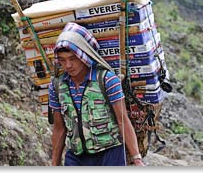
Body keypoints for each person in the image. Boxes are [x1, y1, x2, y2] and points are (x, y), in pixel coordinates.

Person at [48, 22, 145, 166]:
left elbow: (122, 120)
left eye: (72, 59)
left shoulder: (107, 80)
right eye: (62, 60)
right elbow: (59, 127)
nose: (68, 65)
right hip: (76, 156)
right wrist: (54, 163)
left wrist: (137, 158)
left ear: (84, 56)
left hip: (110, 153)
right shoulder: (57, 86)